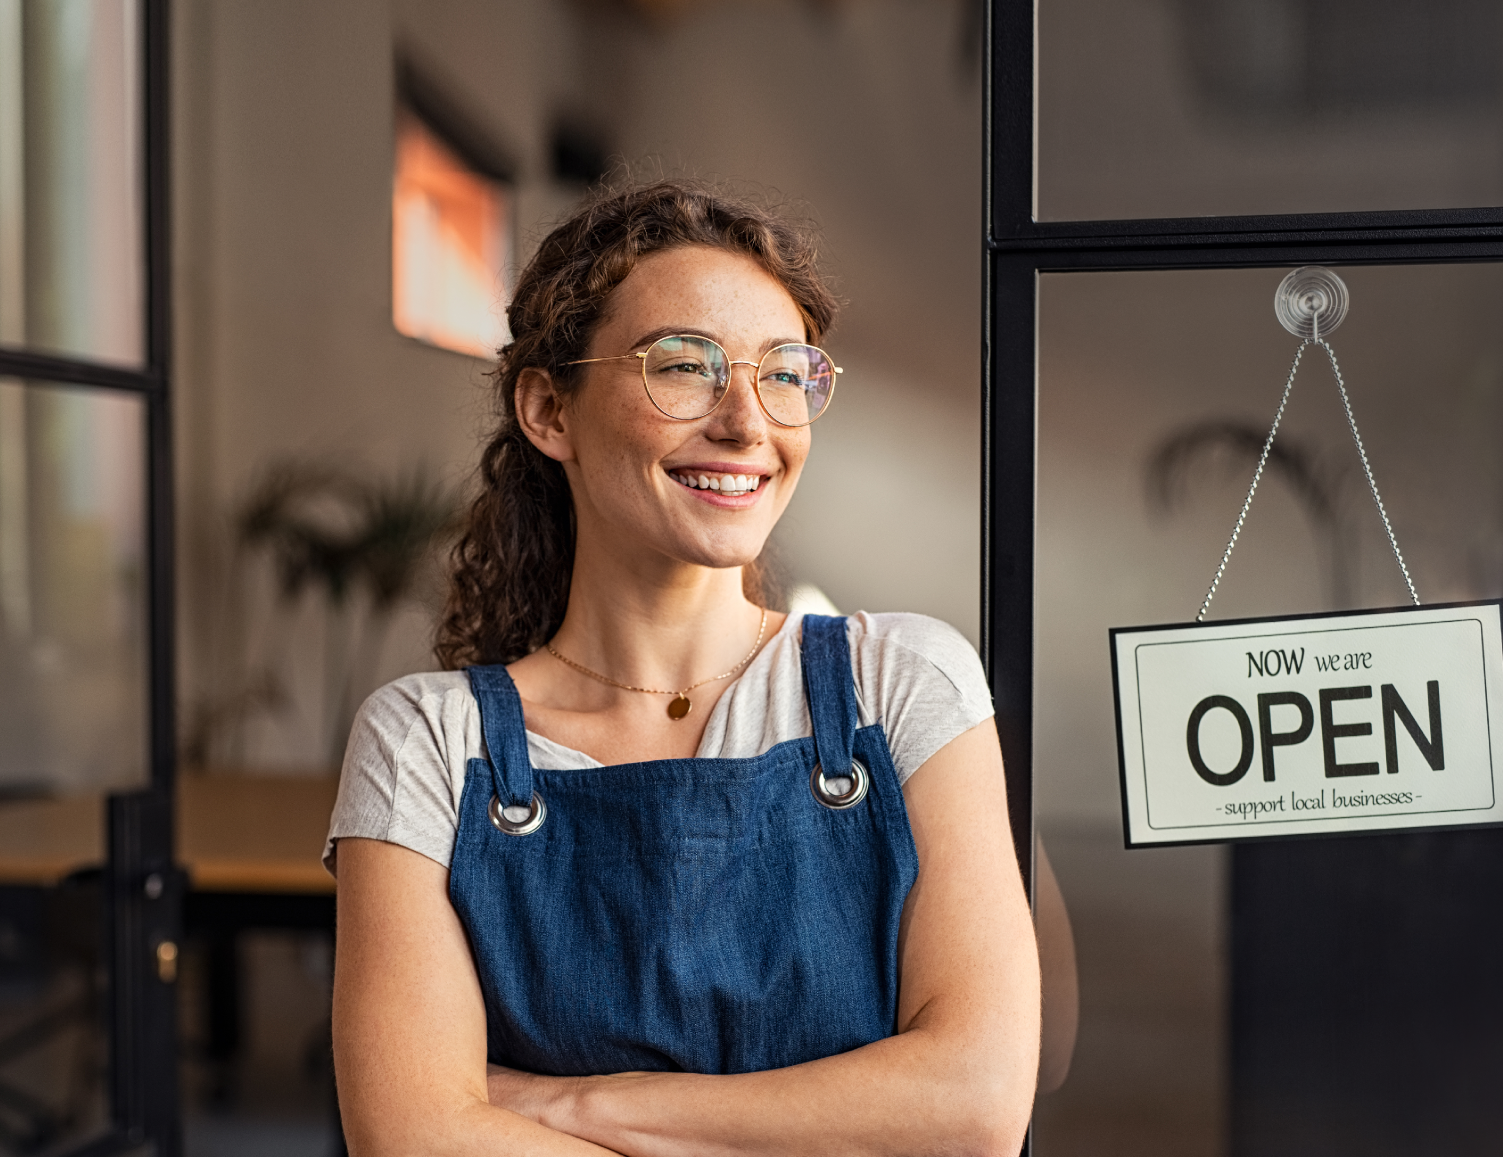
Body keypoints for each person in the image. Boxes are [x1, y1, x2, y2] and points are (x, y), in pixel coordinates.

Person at [327, 180, 1036, 1156]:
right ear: (547, 407)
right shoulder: (426, 740)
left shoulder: (906, 680)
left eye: (784, 373)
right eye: (684, 367)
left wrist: (572, 1106)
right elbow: (414, 1140)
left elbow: (976, 1102)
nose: (748, 423)